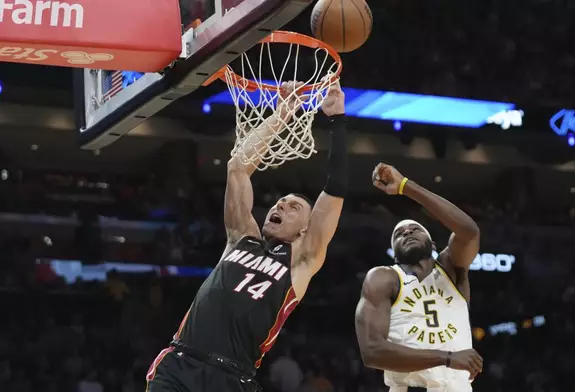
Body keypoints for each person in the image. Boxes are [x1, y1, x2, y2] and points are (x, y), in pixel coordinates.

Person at [146, 81, 348, 392]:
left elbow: (335, 191)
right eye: (280, 202)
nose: (280, 204)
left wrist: (337, 120)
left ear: (306, 229)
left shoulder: (301, 260)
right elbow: (238, 167)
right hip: (181, 363)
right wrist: (285, 111)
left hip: (232, 377)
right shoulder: (242, 237)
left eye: (293, 206)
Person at [355, 163, 483, 392]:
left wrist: (406, 186)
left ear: (432, 243)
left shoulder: (452, 269)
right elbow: (372, 352)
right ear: (394, 253)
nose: (407, 232)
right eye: (399, 234)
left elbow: (470, 232)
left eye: (415, 229)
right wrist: (447, 358)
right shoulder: (385, 278)